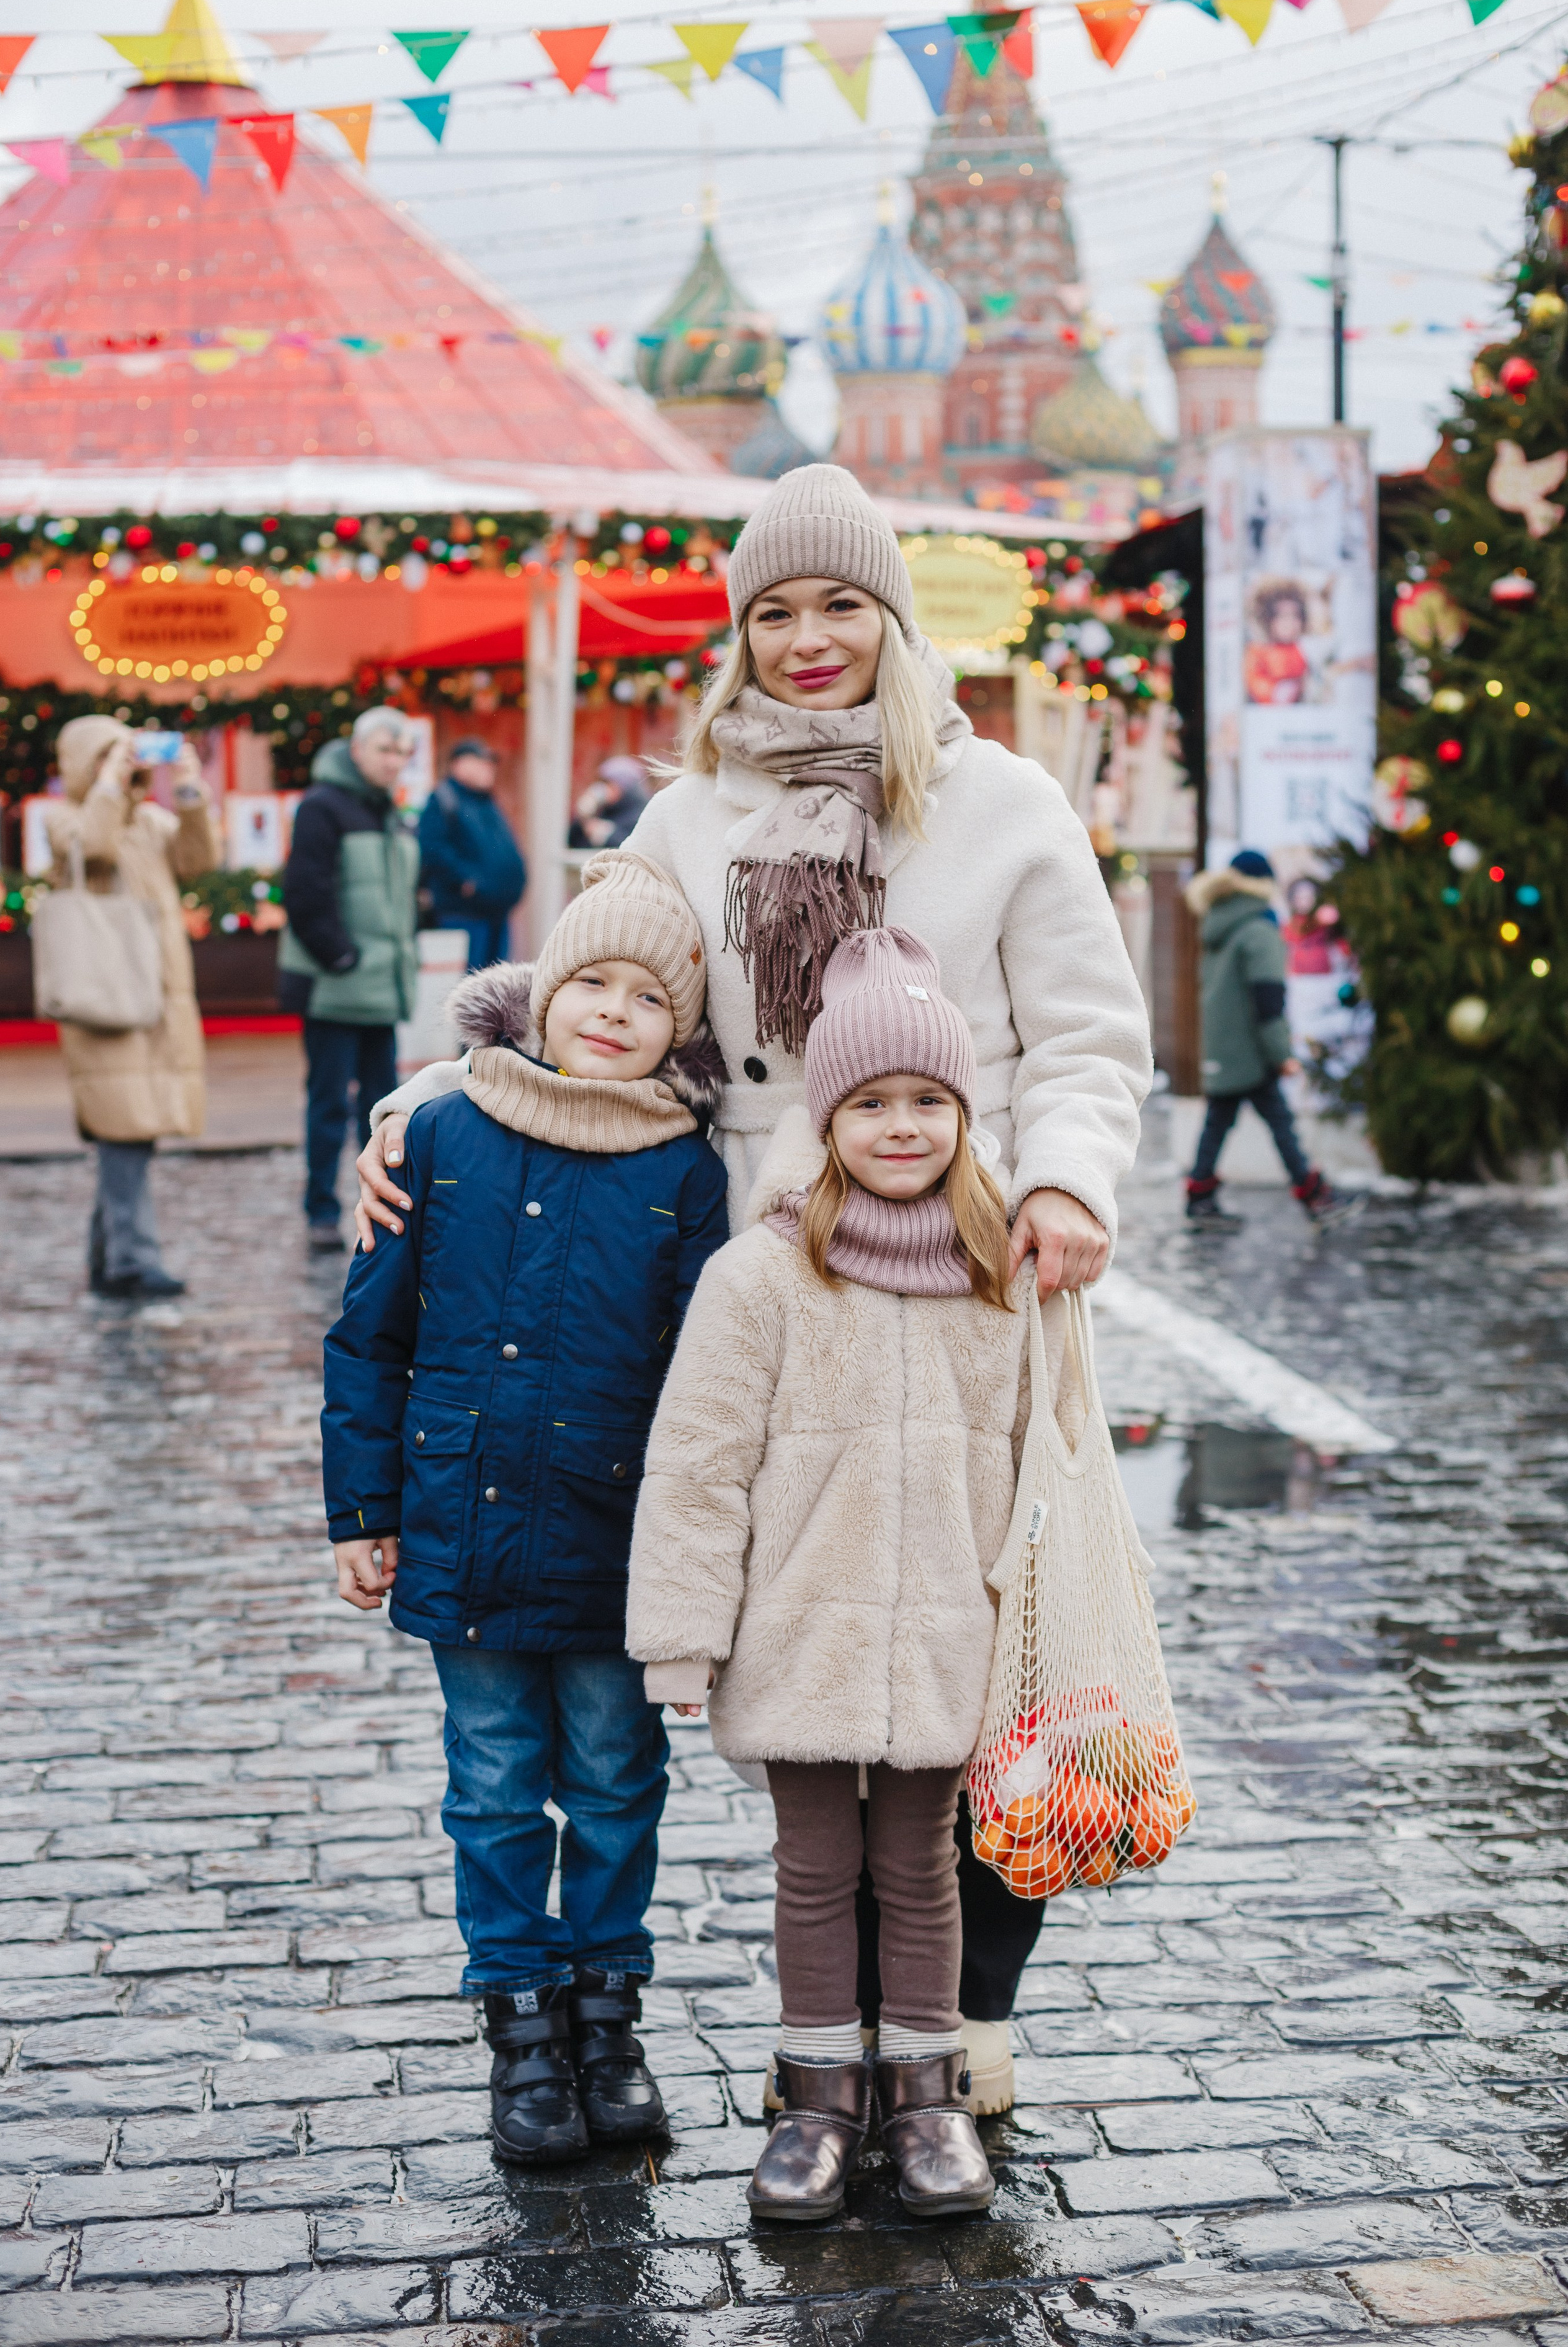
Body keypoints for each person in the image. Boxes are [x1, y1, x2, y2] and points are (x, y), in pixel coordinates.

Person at [352, 463, 1153, 2116]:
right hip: (752, 1286)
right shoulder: (692, 811)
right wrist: (435, 1092)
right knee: (806, 1648)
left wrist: (1067, 1181)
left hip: (975, 1268)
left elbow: (1088, 1035)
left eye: (838, 604)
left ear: (892, 615)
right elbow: (599, 975)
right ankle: (826, 2022)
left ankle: (964, 2017)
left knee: (980, 1641)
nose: (807, 641)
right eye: (774, 612)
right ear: (739, 632)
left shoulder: (997, 803)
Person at [321, 852, 729, 2168]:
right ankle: (520, 2027)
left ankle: (606, 2018)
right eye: (589, 983)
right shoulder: (441, 1135)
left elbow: (710, 1379)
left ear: (682, 1030)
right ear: (542, 994)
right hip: (468, 1528)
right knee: (494, 1787)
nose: (611, 1013)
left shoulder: (686, 1169)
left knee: (614, 1783)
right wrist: (360, 1512)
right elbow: (368, 1342)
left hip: (617, 1546)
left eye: (646, 999)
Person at [628, 929, 1034, 2222]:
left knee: (920, 1862)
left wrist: (1026, 1637)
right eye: (870, 1104)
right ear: (827, 1120)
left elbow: (1041, 1475)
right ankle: (815, 2097)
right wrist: (681, 1642)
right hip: (797, 1630)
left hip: (941, 1638)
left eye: (927, 1103)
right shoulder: (760, 1277)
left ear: (961, 1118)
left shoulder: (997, 1281)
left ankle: (926, 2094)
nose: (901, 1127)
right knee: (811, 1863)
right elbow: (695, 1466)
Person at [46, 716, 220, 1299]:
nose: (123, 766)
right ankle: (132, 1260)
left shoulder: (150, 821)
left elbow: (199, 859)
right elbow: (90, 848)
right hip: (105, 997)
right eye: (106, 756)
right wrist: (108, 787)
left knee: (135, 1129)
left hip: (155, 998)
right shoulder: (65, 819)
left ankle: (109, 1255)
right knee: (121, 1129)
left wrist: (190, 789)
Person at [278, 706, 419, 1251]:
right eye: (385, 750)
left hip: (381, 987)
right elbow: (306, 891)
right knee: (330, 1102)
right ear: (357, 750)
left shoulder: (390, 812)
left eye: (401, 753)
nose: (394, 762)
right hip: (338, 987)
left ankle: (381, 1204)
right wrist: (341, 957)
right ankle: (320, 1209)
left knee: (384, 1105)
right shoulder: (322, 806)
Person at [1183, 849, 1345, 1227]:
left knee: (1220, 1123)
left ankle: (1200, 1197)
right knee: (1278, 1122)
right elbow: (1268, 1000)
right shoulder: (1259, 930)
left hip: (1226, 1048)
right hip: (1253, 1052)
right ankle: (1314, 1196)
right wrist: (1281, 1053)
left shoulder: (1218, 925)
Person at [418, 738, 526, 972]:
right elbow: (432, 849)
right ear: (458, 764)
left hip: (497, 913)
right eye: (479, 761)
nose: (487, 768)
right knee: (469, 986)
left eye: (489, 763)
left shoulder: (486, 801)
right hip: (464, 914)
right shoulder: (444, 800)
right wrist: (467, 882)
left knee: (494, 985)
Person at [569, 756, 651, 853]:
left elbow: (637, 849)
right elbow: (572, 841)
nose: (605, 789)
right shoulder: (605, 810)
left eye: (609, 784)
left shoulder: (643, 814)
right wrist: (583, 817)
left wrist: (608, 835)